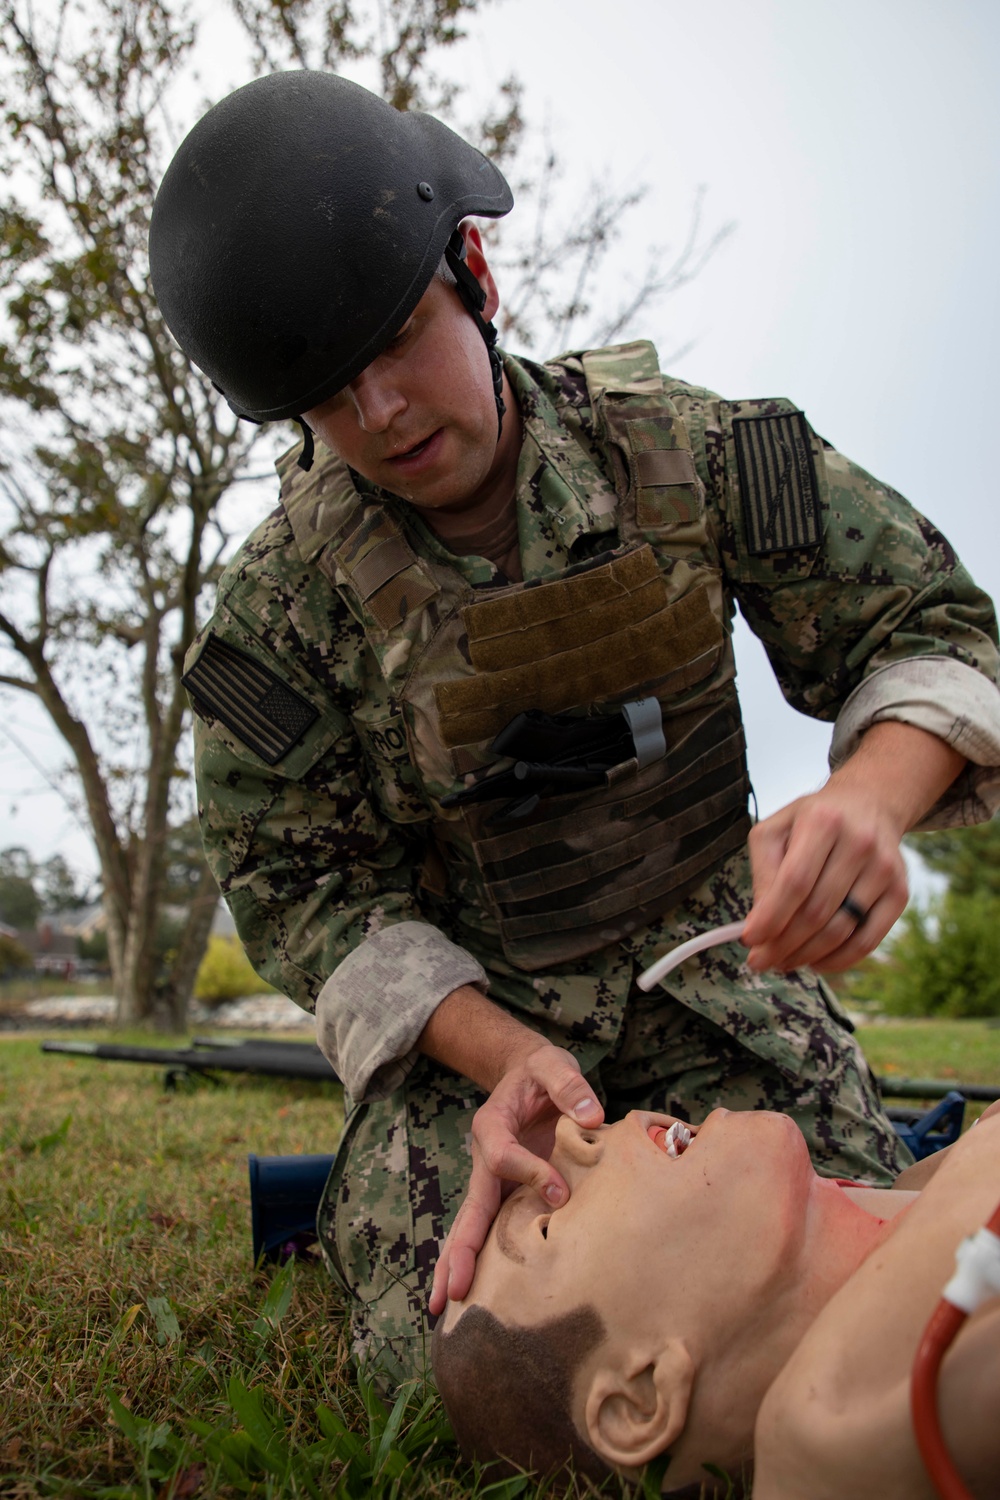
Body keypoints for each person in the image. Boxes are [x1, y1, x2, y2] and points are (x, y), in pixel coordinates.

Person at [148, 70, 1000, 1387]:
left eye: (394, 340)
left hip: (726, 982)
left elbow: (934, 626)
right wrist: (501, 1055)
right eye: (328, 392)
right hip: (482, 1035)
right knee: (467, 1366)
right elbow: (298, 889)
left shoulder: (705, 459)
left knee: (862, 1284)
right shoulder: (277, 619)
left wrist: (871, 800)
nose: (378, 413)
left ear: (471, 268)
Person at [433, 1105, 1000, 1498]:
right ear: (638, 1403)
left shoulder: (932, 1180)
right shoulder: (838, 1433)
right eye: (548, 1221)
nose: (567, 1134)